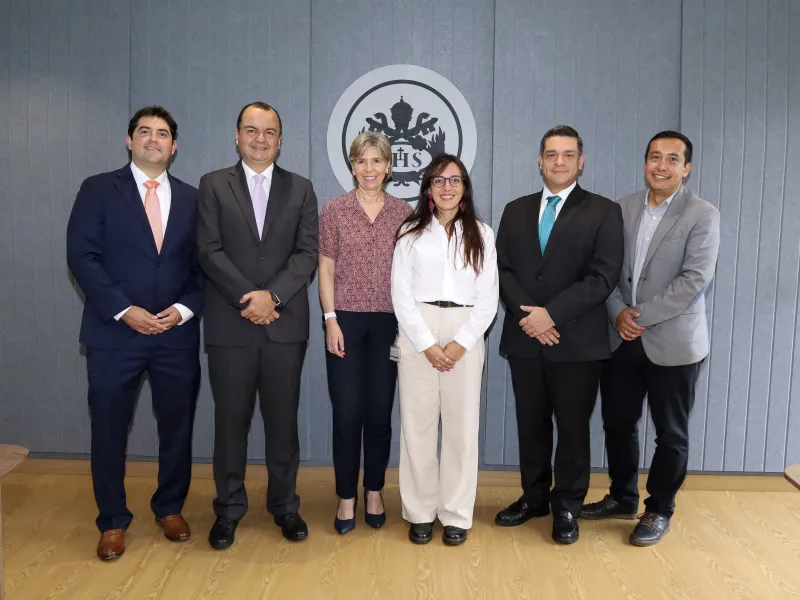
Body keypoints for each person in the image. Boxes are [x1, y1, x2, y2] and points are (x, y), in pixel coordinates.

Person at [66, 106, 204, 560]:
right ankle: (111, 520)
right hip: (115, 334)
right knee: (108, 428)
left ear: (174, 146)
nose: (153, 140)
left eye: (162, 134)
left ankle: (169, 507)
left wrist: (183, 310)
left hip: (174, 334)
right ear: (129, 140)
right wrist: (125, 311)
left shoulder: (192, 198)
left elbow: (205, 266)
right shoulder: (98, 189)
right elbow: (82, 257)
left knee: (177, 427)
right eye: (144, 132)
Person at [581, 131, 720, 546]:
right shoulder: (620, 209)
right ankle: (622, 497)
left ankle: (659, 508)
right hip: (621, 336)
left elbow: (694, 280)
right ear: (645, 163)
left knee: (671, 433)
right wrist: (617, 311)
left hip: (674, 340)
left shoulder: (702, 214)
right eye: (654, 157)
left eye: (672, 159)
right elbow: (605, 270)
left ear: (686, 167)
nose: (661, 166)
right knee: (617, 423)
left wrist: (637, 316)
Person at [494, 125, 623, 544]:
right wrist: (529, 317)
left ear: (581, 161)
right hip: (525, 339)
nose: (560, 162)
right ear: (540, 160)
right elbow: (502, 271)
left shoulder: (604, 211)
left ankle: (566, 504)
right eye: (552, 154)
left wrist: (551, 315)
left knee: (572, 428)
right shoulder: (515, 210)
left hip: (576, 342)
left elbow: (602, 277)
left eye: (568, 154)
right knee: (530, 425)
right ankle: (534, 498)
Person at [197, 102, 318, 548]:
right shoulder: (213, 185)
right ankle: (228, 509)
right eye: (252, 130)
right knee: (231, 421)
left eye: (270, 132)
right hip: (232, 323)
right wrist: (250, 298)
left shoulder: (301, 189)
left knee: (283, 422)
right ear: (237, 136)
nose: (260, 139)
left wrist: (275, 298)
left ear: (280, 140)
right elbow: (208, 250)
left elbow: (307, 253)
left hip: (284, 327)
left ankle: (285, 506)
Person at [391, 154, 498, 546]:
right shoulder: (410, 232)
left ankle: (455, 513)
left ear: (464, 187)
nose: (447, 187)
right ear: (428, 190)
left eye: (454, 180)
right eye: (439, 181)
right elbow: (400, 295)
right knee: (416, 426)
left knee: (461, 428)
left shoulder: (483, 234)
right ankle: (420, 511)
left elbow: (489, 299)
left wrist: (458, 344)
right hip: (417, 329)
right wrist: (426, 343)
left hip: (465, 331)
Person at [319, 132, 412, 534]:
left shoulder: (404, 212)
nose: (369, 169)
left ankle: (374, 491)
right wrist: (329, 318)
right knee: (346, 413)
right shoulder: (334, 210)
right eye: (361, 161)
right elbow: (325, 269)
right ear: (351, 165)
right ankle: (346, 497)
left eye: (377, 161)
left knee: (378, 413)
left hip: (389, 325)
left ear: (388, 166)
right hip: (345, 323)